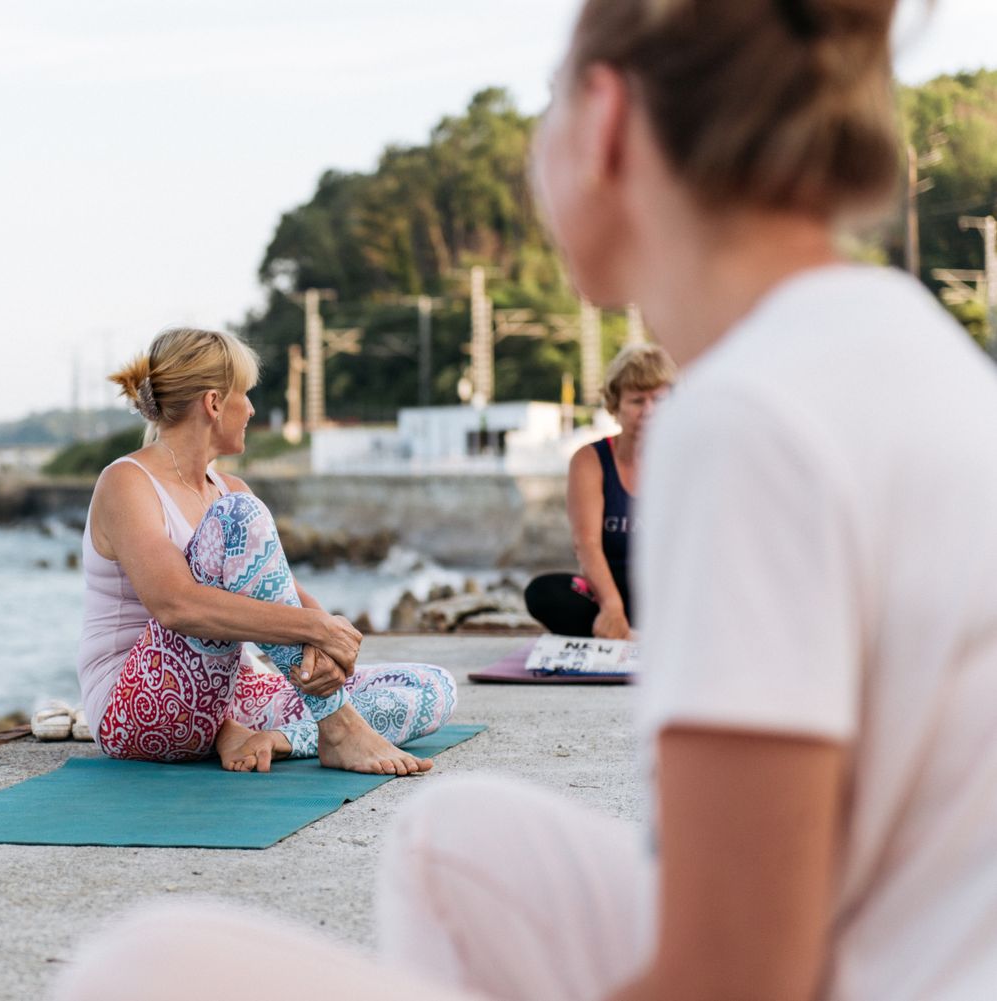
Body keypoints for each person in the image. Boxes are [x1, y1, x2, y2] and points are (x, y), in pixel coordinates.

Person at [55, 1, 997, 999]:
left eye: (547, 106)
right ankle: (327, 723)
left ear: (605, 122)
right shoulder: (897, 343)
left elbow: (738, 976)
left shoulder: (749, 421)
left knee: (139, 965)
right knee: (454, 839)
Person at [78, 326, 455, 776]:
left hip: (232, 693)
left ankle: (275, 740)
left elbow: (284, 595)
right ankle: (337, 728)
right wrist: (315, 628)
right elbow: (174, 605)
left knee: (433, 687)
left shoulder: (229, 488)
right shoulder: (127, 481)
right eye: (246, 394)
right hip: (136, 707)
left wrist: (330, 652)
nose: (252, 409)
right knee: (240, 514)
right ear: (214, 403)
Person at [524, 344, 674, 638]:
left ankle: (638, 632)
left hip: (667, 589)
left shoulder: (685, 458)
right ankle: (623, 628)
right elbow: (587, 544)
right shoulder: (590, 460)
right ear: (615, 406)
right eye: (637, 401)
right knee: (544, 592)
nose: (648, 412)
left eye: (658, 400)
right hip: (610, 588)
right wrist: (611, 605)